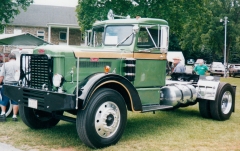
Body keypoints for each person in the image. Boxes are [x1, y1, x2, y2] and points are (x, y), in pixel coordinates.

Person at [0, 53, 19, 122]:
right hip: (16, 85)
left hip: (7, 84)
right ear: (15, 58)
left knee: (3, 100)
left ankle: (3, 114)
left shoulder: (5, 65)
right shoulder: (19, 65)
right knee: (15, 101)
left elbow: (1, 76)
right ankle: (14, 116)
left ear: (8, 58)